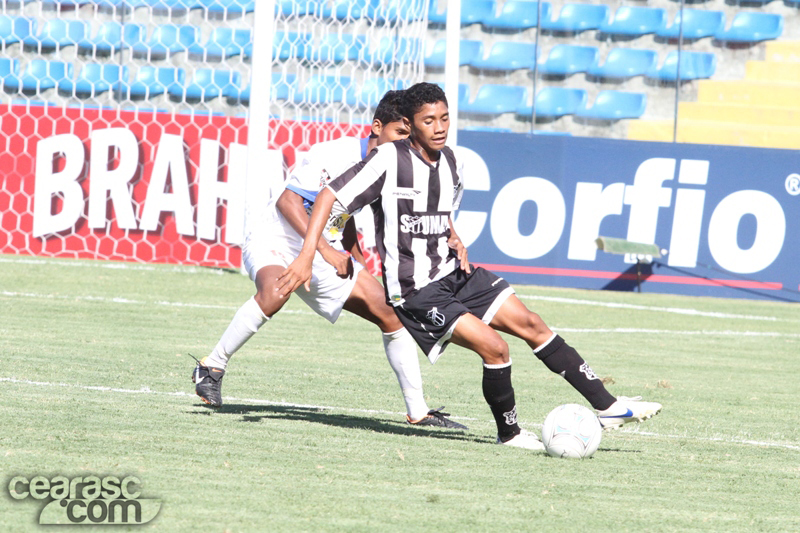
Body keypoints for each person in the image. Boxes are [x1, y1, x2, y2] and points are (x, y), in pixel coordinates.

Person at [277, 82, 662, 450]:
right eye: (429, 121)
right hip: (415, 290)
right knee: (495, 348)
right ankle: (509, 434)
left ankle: (607, 407)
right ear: (410, 125)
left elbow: (439, 209)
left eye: (445, 118)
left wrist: (453, 234)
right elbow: (328, 196)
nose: (440, 128)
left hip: (454, 272)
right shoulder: (387, 160)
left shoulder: (453, 161)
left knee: (531, 323)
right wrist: (309, 254)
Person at [191, 90, 466, 430]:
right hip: (277, 239)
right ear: (376, 127)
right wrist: (322, 251)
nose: (403, 144)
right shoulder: (333, 154)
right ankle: (212, 365)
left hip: (325, 247)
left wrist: (358, 261)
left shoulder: (393, 167)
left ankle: (418, 412)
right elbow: (289, 202)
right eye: (398, 134)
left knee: (392, 315)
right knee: (277, 291)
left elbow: (345, 216)